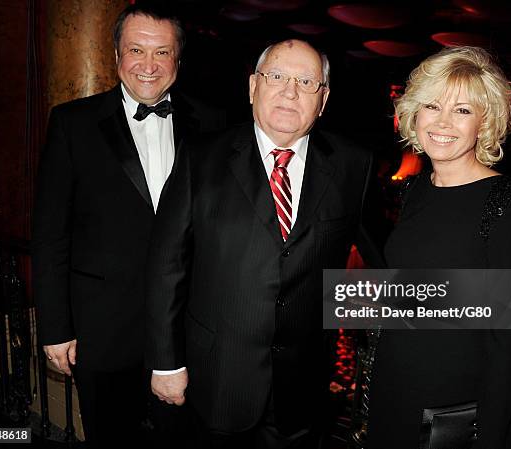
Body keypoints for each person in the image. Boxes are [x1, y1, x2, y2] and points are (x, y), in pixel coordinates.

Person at [145, 39, 384, 449]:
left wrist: (475, 303)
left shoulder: (353, 165)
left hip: (304, 388)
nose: (290, 92)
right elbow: (166, 265)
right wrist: (166, 363)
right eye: (277, 77)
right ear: (253, 86)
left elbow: (385, 257)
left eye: (306, 82)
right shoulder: (200, 158)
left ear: (323, 99)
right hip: (217, 378)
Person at [31, 3, 224, 445]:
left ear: (178, 59)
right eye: (136, 49)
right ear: (116, 55)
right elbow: (50, 234)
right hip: (102, 330)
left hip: (187, 333)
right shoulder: (72, 123)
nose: (149, 65)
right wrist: (56, 327)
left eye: (162, 52)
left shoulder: (213, 124)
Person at [363, 46, 511, 448]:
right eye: (432, 106)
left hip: (452, 410)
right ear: (414, 114)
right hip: (394, 389)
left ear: (485, 121)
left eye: (462, 110)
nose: (442, 122)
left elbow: (507, 336)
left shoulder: (509, 203)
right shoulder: (414, 190)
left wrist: (491, 437)